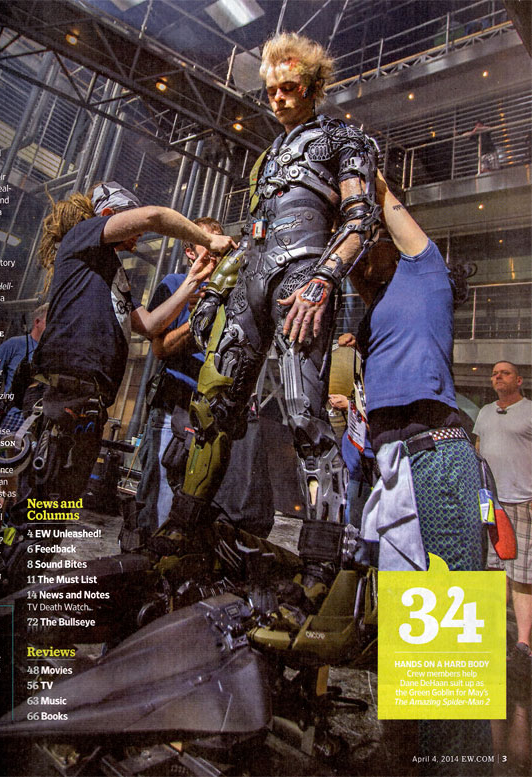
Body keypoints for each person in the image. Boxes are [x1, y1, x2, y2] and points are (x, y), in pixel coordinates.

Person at [155, 32, 381, 587]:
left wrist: (323, 281)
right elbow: (253, 235)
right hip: (251, 287)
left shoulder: (344, 140)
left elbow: (361, 219)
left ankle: (322, 560)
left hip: (302, 282)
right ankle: (182, 530)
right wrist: (217, 291)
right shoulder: (266, 157)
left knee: (305, 416)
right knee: (212, 408)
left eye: (289, 87)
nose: (277, 98)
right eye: (271, 90)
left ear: (313, 85)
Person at [348, 174, 490, 775]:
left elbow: (388, 203)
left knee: (446, 638)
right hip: (395, 464)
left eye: (373, 241)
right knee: (407, 630)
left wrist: (359, 170)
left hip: (436, 457)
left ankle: (460, 765)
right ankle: (408, 758)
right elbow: (355, 272)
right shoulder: (376, 301)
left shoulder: (426, 271)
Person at [2, 181, 234, 530]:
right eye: (130, 221)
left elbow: (150, 324)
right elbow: (154, 217)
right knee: (34, 509)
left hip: (89, 402)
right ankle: (7, 561)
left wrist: (192, 281)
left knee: (54, 517)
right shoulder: (83, 236)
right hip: (61, 392)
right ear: (109, 214)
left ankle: (24, 559)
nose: (138, 234)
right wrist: (208, 240)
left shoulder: (111, 272)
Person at [136, 217, 274, 537]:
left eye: (218, 246)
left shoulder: (235, 291)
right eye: (207, 246)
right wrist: (199, 316)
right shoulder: (174, 285)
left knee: (201, 506)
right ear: (189, 251)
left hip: (215, 413)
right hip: (174, 407)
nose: (215, 254)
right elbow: (160, 348)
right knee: (160, 500)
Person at [474, 364, 531, 659]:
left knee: (522, 575)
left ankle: (523, 642)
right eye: (495, 373)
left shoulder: (529, 411)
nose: (498, 376)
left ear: (519, 380)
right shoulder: (484, 412)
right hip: (490, 503)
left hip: (524, 502)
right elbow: (478, 450)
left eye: (505, 373)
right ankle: (496, 633)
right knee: (494, 571)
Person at [0, 303, 49, 433]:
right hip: (15, 414)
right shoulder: (15, 344)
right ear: (37, 322)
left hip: (41, 419)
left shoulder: (54, 352)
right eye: (49, 320)